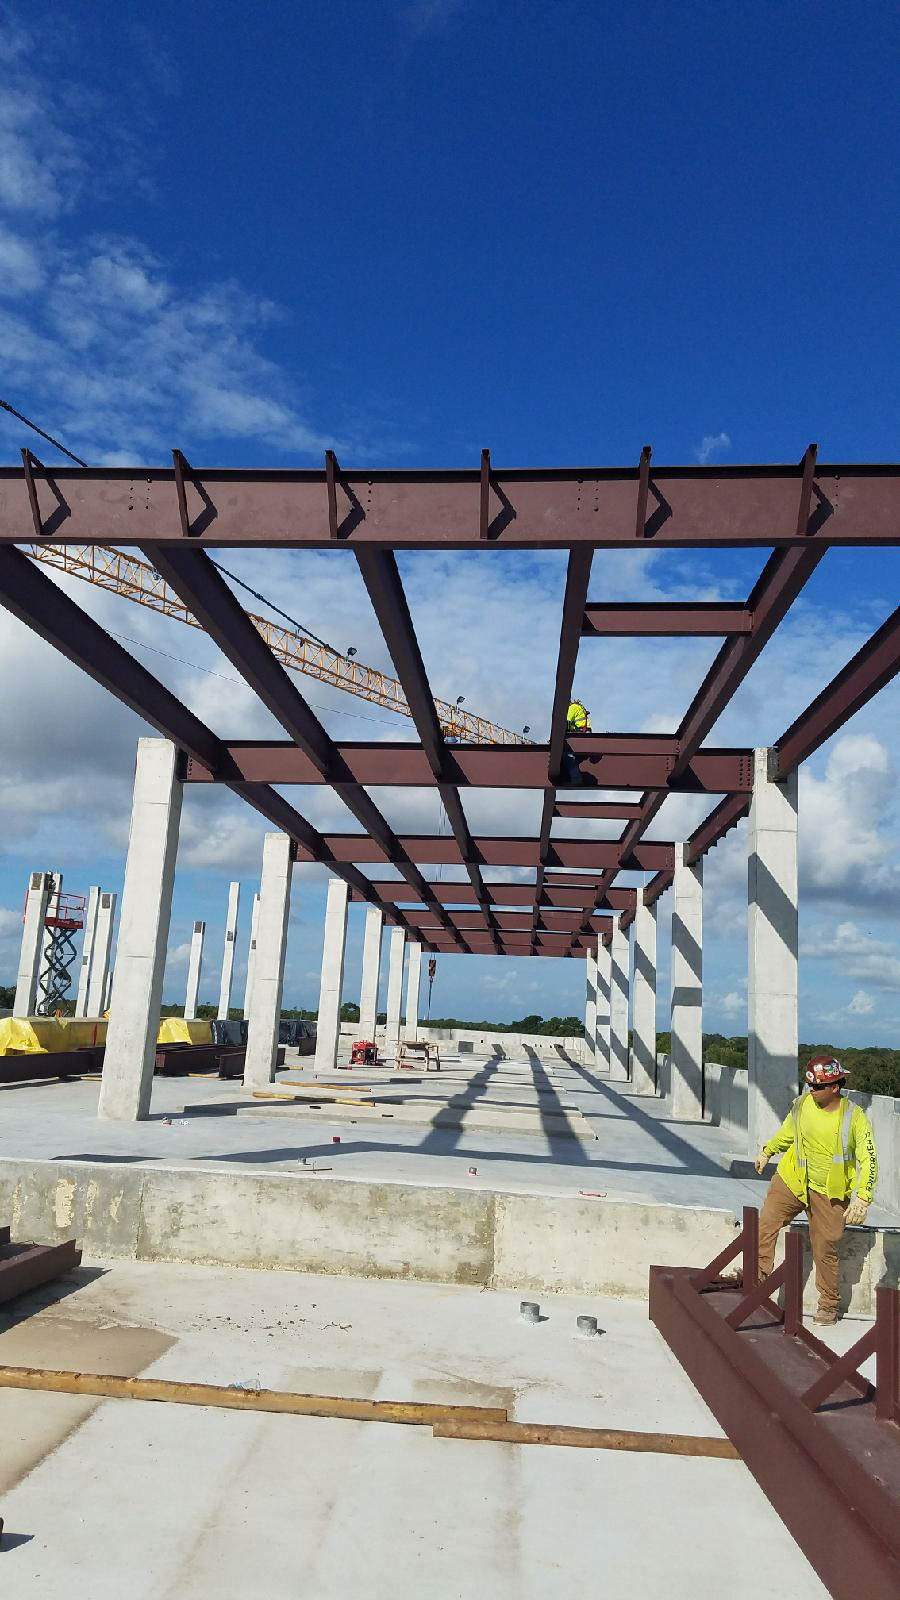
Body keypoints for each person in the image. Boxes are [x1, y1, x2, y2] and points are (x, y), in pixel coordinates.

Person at [754, 1054, 878, 1325]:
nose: (812, 1089)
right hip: (793, 1178)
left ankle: (828, 1305)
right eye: (809, 1084)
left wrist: (862, 1198)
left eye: (818, 1086)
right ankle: (756, 1283)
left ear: (835, 1086)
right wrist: (767, 1151)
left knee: (825, 1247)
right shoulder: (802, 1105)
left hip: (830, 1192)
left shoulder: (854, 1117)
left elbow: (869, 1159)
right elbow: (787, 1133)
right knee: (766, 1224)